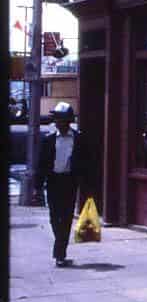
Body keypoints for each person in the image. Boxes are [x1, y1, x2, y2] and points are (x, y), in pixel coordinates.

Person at [34, 101, 90, 267]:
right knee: (54, 217)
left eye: (61, 119)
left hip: (69, 182)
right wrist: (37, 187)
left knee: (65, 218)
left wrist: (86, 185)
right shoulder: (49, 140)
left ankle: (60, 253)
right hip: (53, 182)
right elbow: (41, 165)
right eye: (56, 119)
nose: (58, 122)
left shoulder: (79, 139)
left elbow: (86, 164)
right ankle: (60, 245)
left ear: (68, 121)